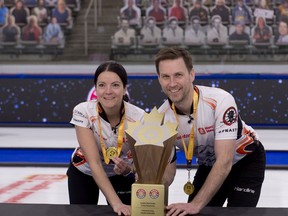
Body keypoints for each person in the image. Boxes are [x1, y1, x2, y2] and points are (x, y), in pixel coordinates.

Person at [155, 47, 266, 215]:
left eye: (178, 75)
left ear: (191, 74)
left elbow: (225, 160)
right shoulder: (160, 119)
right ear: (159, 79)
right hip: (208, 166)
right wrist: (147, 185)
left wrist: (195, 204)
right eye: (165, 77)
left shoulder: (220, 100)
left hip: (245, 161)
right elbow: (168, 174)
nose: (172, 83)